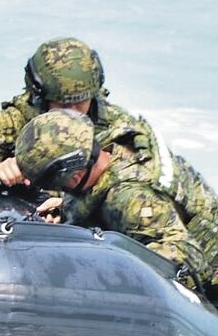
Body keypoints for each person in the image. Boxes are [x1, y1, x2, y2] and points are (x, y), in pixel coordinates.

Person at [15, 109, 216, 286]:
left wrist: (107, 270)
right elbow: (96, 190)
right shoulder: (110, 148)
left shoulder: (130, 199)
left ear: (74, 175)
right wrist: (67, 208)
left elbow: (186, 255)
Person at [0, 37, 137, 189]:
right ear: (41, 98)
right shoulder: (17, 119)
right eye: (63, 105)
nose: (74, 113)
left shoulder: (114, 123)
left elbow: (140, 176)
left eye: (81, 102)